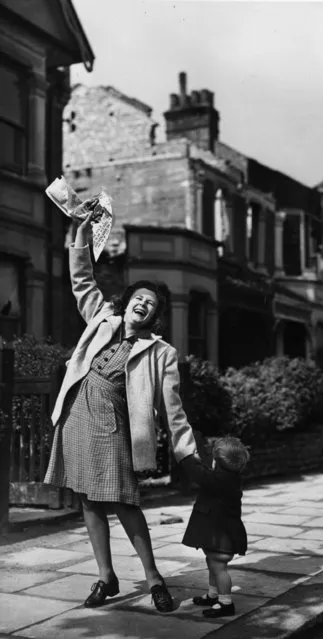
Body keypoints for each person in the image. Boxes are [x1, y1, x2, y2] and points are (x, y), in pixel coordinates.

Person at [44, 197, 197, 613]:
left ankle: (153, 578)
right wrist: (79, 227)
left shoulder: (160, 352)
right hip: (77, 419)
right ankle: (106, 577)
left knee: (126, 503)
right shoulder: (101, 319)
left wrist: (188, 454)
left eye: (151, 304)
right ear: (128, 300)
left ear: (154, 316)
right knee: (89, 501)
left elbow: (173, 407)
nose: (142, 304)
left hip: (114, 428)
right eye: (139, 297)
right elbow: (81, 278)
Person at [181, 436, 250, 618]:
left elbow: (200, 475)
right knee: (212, 564)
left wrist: (186, 457)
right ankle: (213, 595)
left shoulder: (220, 480)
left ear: (216, 462)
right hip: (221, 536)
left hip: (222, 539)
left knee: (219, 568)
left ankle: (226, 603)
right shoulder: (230, 478)